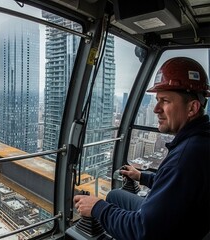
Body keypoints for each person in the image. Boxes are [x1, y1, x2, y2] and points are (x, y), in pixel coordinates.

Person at [73, 57, 210, 239]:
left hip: (170, 230)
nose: (156, 109)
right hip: (186, 221)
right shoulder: (199, 141)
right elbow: (177, 185)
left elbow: (143, 231)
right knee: (115, 196)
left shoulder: (184, 157)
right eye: (157, 100)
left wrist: (97, 207)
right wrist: (142, 177)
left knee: (101, 212)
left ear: (192, 108)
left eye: (165, 101)